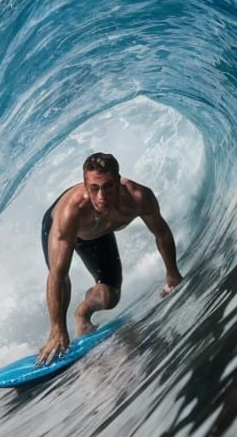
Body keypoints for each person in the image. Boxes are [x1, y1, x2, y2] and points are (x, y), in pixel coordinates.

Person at [37, 152, 182, 365]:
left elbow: (162, 234)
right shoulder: (70, 212)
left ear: (118, 181)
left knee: (110, 297)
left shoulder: (138, 198)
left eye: (108, 187)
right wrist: (57, 329)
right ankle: (58, 332)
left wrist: (172, 274)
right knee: (61, 274)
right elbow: (58, 275)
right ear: (85, 186)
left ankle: (82, 315)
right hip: (62, 230)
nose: (101, 196)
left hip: (98, 232)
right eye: (94, 188)